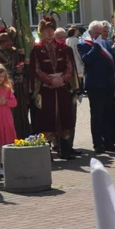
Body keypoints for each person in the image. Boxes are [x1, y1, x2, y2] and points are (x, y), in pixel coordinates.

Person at [31, 17, 76, 159]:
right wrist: (50, 80)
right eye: (46, 31)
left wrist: (62, 79)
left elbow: (70, 67)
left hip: (62, 87)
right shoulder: (36, 50)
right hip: (46, 89)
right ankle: (46, 151)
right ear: (41, 32)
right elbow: (36, 69)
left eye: (51, 30)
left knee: (65, 118)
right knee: (46, 119)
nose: (49, 33)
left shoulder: (64, 48)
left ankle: (65, 149)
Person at [79, 20, 115, 155]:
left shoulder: (107, 43)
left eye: (102, 33)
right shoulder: (84, 44)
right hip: (95, 85)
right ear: (90, 32)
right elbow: (86, 60)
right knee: (97, 116)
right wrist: (96, 46)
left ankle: (108, 141)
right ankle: (98, 143)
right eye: (97, 33)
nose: (101, 36)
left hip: (108, 84)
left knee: (108, 114)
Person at [0, 28, 31, 140]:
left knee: (21, 113)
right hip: (5, 88)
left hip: (18, 88)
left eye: (10, 41)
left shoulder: (15, 52)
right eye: (7, 41)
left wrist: (21, 69)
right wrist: (15, 72)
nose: (10, 43)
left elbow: (24, 67)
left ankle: (23, 136)